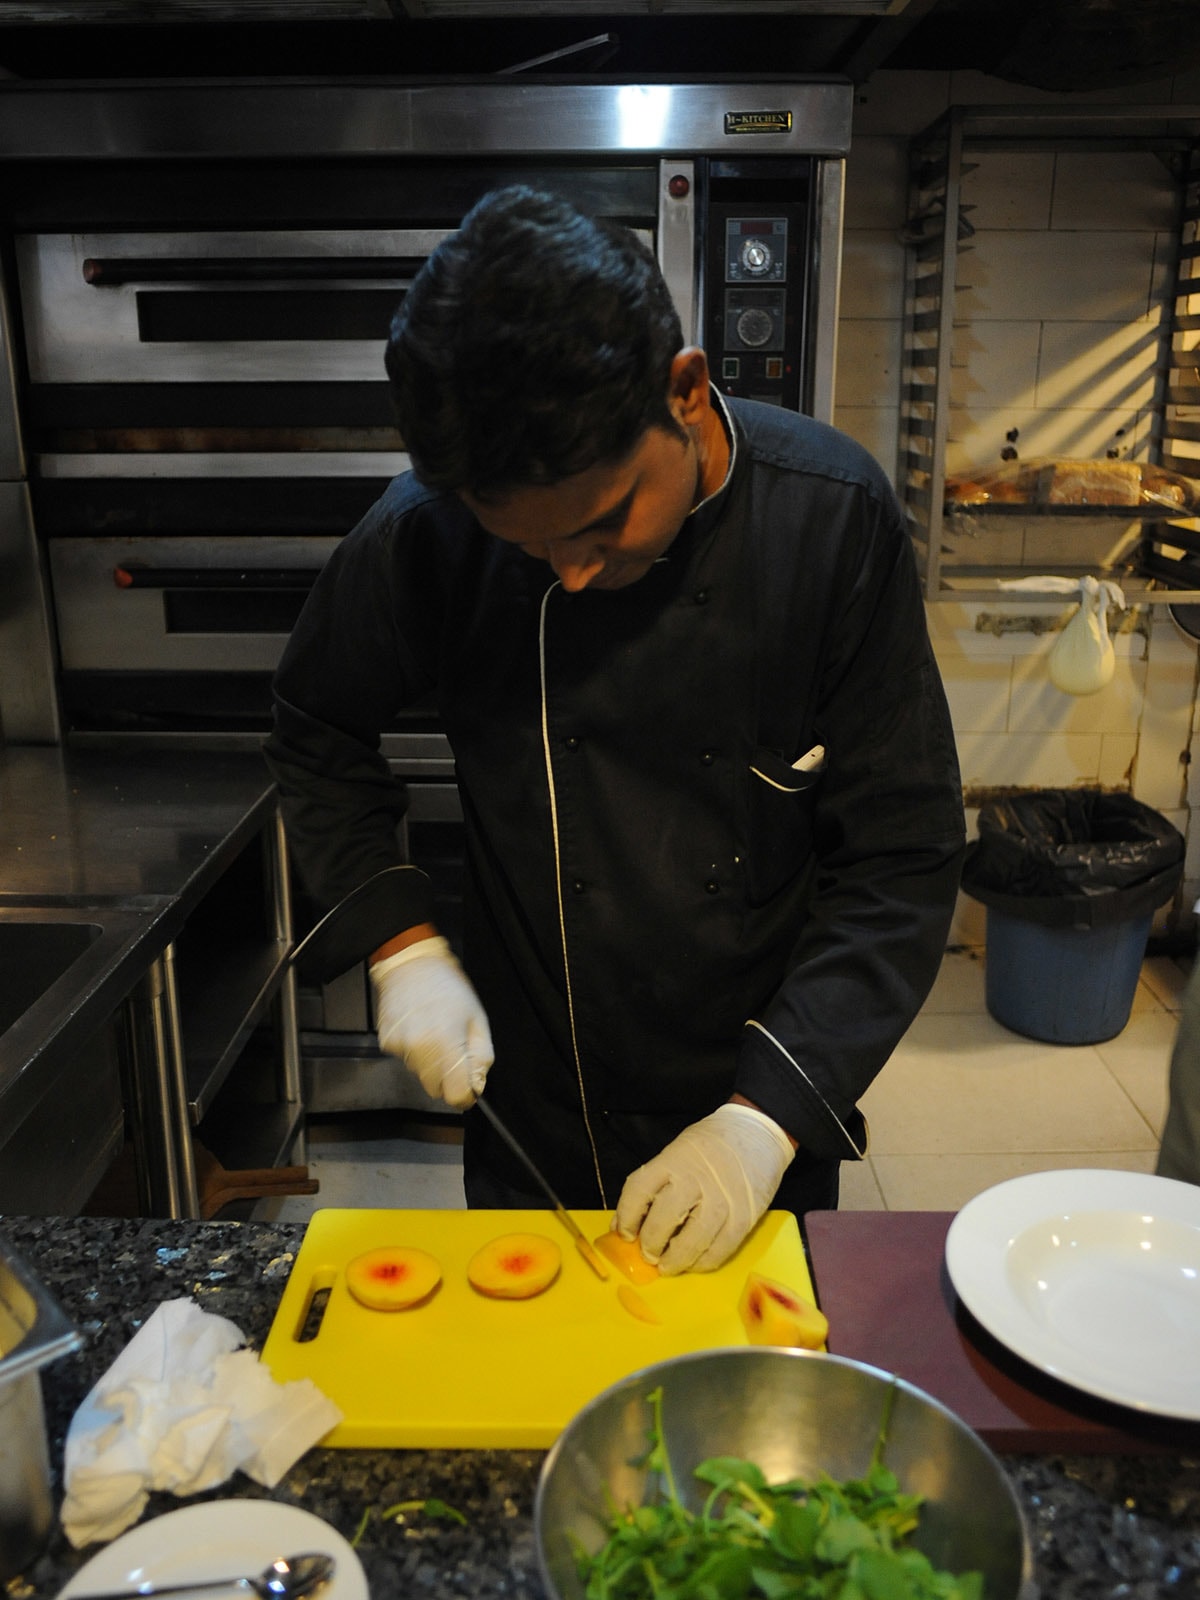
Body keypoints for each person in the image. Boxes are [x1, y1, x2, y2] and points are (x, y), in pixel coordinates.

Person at [264, 185, 966, 1274]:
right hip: (536, 1099)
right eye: (532, 549)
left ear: (684, 391)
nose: (576, 573)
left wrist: (763, 1122)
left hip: (762, 1093)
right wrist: (400, 942)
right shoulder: (426, 537)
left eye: (600, 522)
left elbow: (903, 858)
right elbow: (315, 727)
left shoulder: (831, 522)